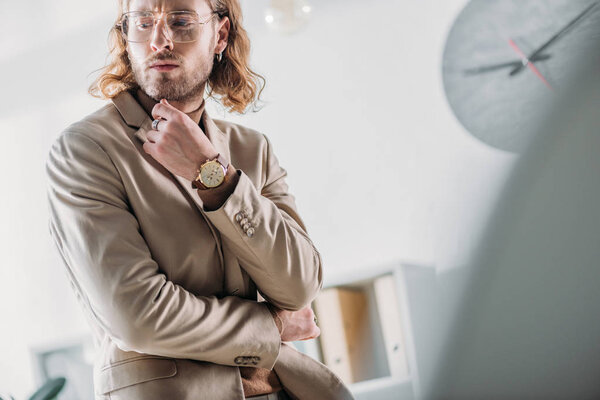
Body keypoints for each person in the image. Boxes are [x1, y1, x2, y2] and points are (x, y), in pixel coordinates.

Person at [45, 0, 354, 399]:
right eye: (142, 22)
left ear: (220, 35)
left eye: (180, 20)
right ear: (126, 36)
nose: (159, 40)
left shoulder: (252, 149)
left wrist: (213, 173)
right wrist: (272, 326)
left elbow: (299, 287)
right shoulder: (84, 150)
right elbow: (138, 318)